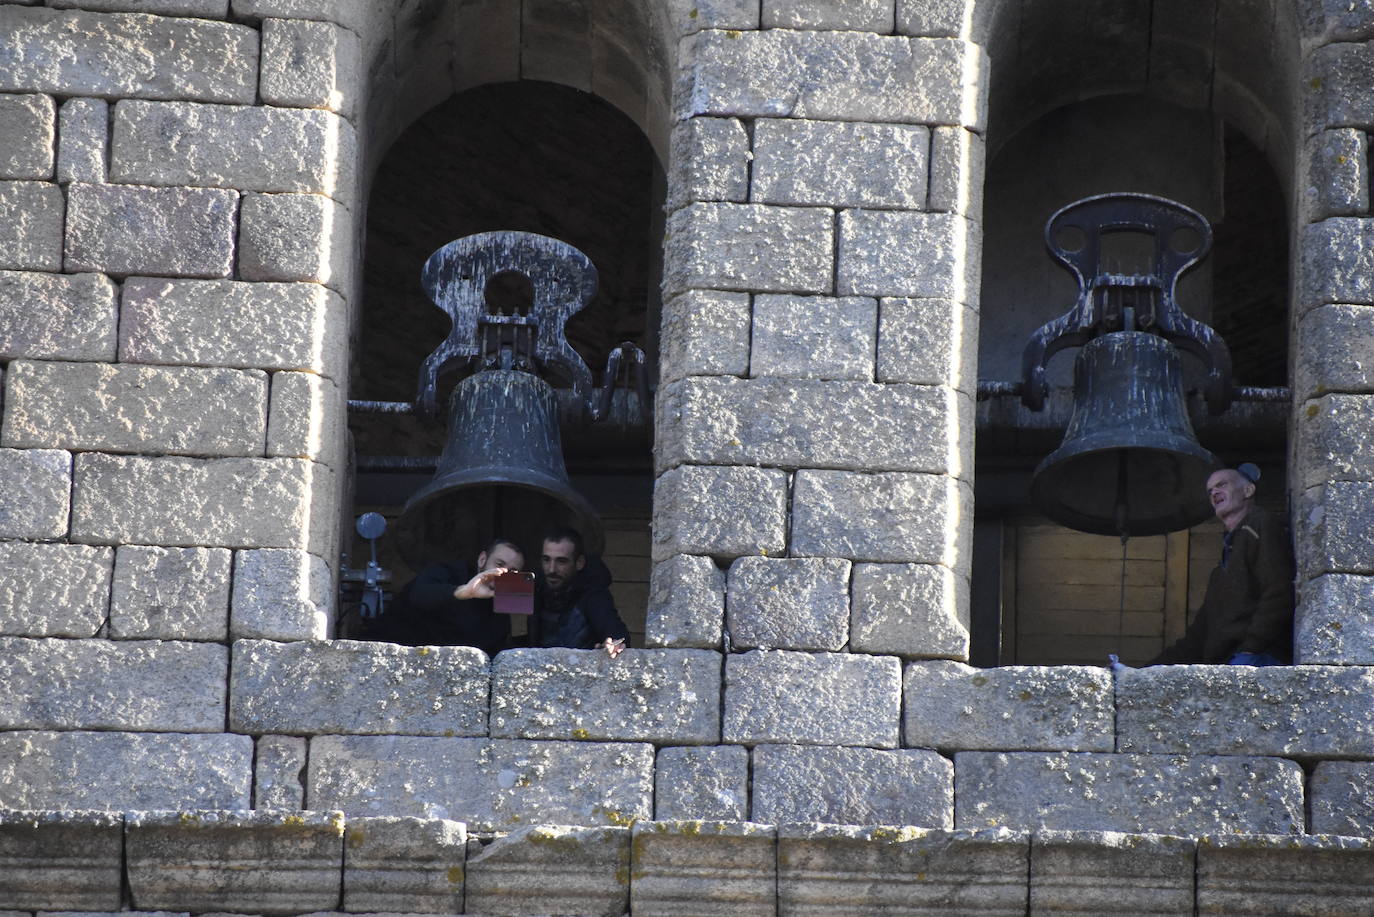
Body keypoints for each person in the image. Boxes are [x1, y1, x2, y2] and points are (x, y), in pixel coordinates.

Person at [1144, 463, 1294, 666]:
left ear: (1248, 490)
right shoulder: (1223, 566)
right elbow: (1198, 637)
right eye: (1210, 491)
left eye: (1222, 485)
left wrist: (1251, 648)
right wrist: (1144, 672)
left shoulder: (1261, 525)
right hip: (1230, 661)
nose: (1214, 492)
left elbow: (1279, 590)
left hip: (1258, 658)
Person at [374, 538, 525, 657]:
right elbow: (420, 595)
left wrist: (517, 619)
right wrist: (464, 591)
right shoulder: (447, 573)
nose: (503, 574)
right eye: (499, 564)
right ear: (482, 560)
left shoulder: (503, 608)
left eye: (512, 572)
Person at [533, 526, 629, 657]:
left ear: (579, 563)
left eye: (561, 561)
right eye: (546, 560)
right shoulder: (536, 588)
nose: (551, 569)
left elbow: (615, 633)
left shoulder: (592, 594)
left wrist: (612, 644)